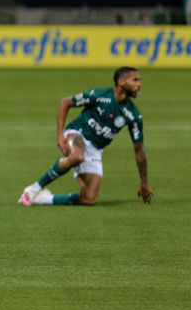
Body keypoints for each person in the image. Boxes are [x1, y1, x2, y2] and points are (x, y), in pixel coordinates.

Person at [18, 67, 154, 206]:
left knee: (88, 199)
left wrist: (144, 183)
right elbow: (65, 103)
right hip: (77, 133)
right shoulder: (99, 95)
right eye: (135, 80)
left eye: (139, 80)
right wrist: (60, 135)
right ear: (121, 82)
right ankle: (34, 188)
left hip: (95, 149)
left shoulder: (134, 116)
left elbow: (139, 151)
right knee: (77, 156)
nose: (139, 84)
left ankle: (43, 198)